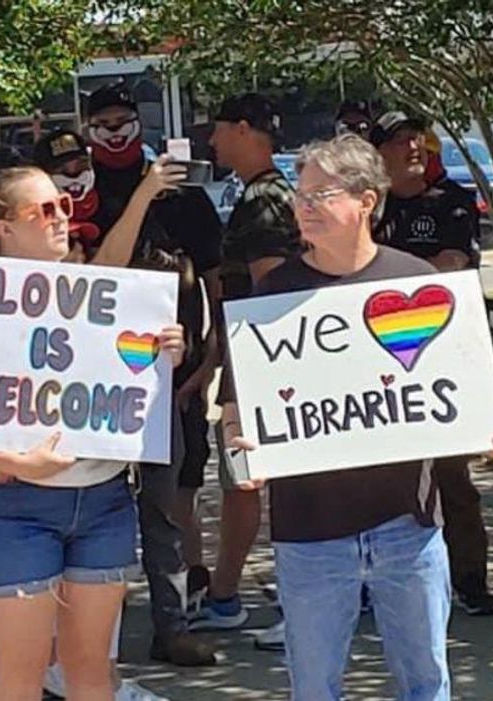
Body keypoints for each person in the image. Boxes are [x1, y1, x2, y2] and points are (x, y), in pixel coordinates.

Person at [220, 135, 452, 701]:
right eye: (301, 195)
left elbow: (461, 393)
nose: (303, 207)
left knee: (426, 684)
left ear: (366, 201)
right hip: (310, 532)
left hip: (408, 527)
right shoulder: (273, 293)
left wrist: (492, 428)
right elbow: (235, 408)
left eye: (319, 194)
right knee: (315, 689)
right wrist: (237, 455)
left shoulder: (417, 282)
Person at [0, 165, 186, 701]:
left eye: (64, 204)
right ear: (4, 227)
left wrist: (161, 352)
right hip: (13, 506)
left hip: (104, 499)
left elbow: (112, 264)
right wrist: (17, 463)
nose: (63, 218)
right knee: (20, 677)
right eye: (45, 210)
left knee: (90, 674)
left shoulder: (94, 290)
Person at [85, 83, 225, 668]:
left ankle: (172, 625)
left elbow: (215, 283)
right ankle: (95, 639)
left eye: (125, 120)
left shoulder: (187, 197)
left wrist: (212, 358)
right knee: (98, 509)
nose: (116, 131)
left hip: (173, 374)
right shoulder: (78, 196)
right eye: (104, 121)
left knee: (169, 505)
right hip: (91, 378)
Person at [371, 110, 493, 616]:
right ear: (379, 152)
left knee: (453, 478)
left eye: (418, 139)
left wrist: (388, 279)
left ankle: (471, 579)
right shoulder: (370, 210)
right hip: (377, 363)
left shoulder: (451, 200)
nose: (413, 148)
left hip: (441, 359)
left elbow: (452, 264)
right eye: (400, 141)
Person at [194, 93, 299, 639]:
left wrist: (248, 376)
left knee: (249, 476)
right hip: (252, 358)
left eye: (218, 131)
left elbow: (268, 288)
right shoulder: (269, 193)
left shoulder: (263, 200)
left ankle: (249, 598)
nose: (212, 142)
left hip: (263, 364)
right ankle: (227, 593)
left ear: (242, 129)